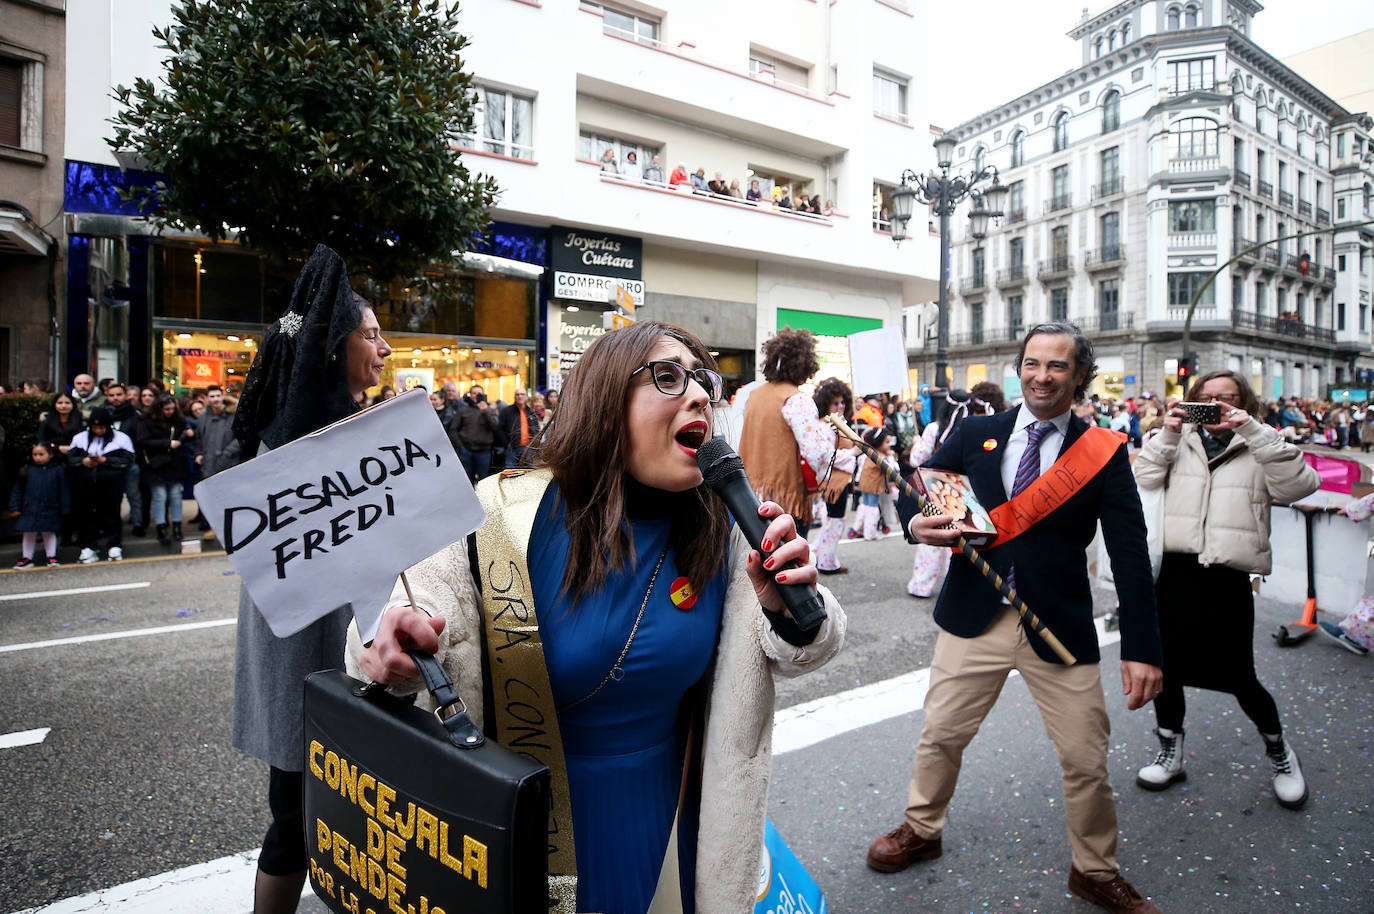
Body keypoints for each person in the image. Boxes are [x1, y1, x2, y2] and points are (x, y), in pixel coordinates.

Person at [350, 320, 846, 913]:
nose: (697, 395)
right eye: (667, 376)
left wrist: (788, 605)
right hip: (523, 822)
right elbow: (414, 607)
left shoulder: (729, 527)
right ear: (605, 401)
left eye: (704, 381)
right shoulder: (502, 514)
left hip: (672, 818)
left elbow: (814, 640)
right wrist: (398, 638)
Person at [868, 321, 1165, 914]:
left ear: (1080, 376)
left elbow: (1130, 551)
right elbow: (918, 489)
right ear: (1019, 368)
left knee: (1085, 758)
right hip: (974, 615)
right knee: (942, 736)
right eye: (1032, 363)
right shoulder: (976, 431)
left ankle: (1095, 869)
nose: (1041, 376)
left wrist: (1143, 645)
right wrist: (913, 522)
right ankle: (922, 830)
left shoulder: (1101, 453)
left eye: (1057, 366)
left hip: (1058, 624)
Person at [230, 244, 393, 914]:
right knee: (294, 816)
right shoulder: (294, 444)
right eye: (371, 334)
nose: (384, 348)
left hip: (363, 649)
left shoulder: (366, 429)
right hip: (306, 655)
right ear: (335, 345)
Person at [1131, 370, 1319, 809]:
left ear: (1244, 402)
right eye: (1206, 397)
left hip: (1227, 576)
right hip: (1172, 574)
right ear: (1192, 400)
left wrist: (1252, 428)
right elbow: (1143, 481)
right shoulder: (1177, 439)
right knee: (1166, 672)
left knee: (1240, 676)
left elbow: (1300, 486)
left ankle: (1279, 753)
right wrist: (1168, 434)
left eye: (1227, 398)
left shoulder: (1259, 443)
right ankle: (1171, 751)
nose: (1215, 405)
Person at [905, 387, 1000, 599]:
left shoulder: (934, 429)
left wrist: (917, 444)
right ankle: (955, 586)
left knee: (934, 536)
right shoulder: (979, 429)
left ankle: (921, 585)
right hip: (968, 492)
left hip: (936, 488)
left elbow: (916, 460)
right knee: (960, 537)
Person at [738, 327, 835, 532]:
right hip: (784, 501)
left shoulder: (753, 395)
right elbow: (816, 453)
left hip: (749, 493)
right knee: (790, 560)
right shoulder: (797, 400)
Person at [67, 407, 136, 563]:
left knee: (112, 513)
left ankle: (114, 545)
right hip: (86, 482)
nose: (98, 431)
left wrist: (106, 461)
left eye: (102, 427)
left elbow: (128, 460)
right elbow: (71, 459)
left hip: (111, 482)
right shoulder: (80, 439)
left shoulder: (121, 439)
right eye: (95, 427)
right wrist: (83, 461)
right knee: (87, 515)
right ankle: (88, 547)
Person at [811, 378, 857, 575]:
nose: (840, 406)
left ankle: (824, 558)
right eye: (835, 402)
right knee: (835, 520)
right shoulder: (825, 426)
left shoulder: (838, 423)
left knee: (834, 520)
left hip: (840, 480)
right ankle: (826, 562)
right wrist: (853, 454)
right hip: (833, 482)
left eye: (843, 402)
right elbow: (827, 456)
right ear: (826, 403)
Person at [138, 394, 191, 545]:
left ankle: (176, 527)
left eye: (172, 409)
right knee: (160, 496)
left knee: (175, 495)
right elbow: (142, 441)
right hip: (157, 463)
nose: (170, 412)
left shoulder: (178, 420)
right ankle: (161, 527)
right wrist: (167, 443)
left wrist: (187, 435)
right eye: (167, 409)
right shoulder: (146, 421)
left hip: (174, 462)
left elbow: (184, 432)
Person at [9, 442, 69, 568]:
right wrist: (14, 506)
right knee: (28, 532)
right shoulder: (27, 470)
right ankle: (26, 557)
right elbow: (18, 489)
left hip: (50, 506)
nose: (37, 457)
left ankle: (51, 556)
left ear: (50, 455)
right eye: (35, 455)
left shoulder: (57, 470)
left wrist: (65, 508)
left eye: (41, 454)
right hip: (29, 507)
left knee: (49, 531)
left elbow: (64, 490)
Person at [849, 427, 896, 540]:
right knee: (872, 507)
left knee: (864, 505)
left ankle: (858, 528)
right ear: (879, 443)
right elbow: (891, 469)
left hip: (864, 484)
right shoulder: (880, 457)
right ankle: (870, 532)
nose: (889, 445)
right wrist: (891, 457)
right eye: (886, 442)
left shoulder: (868, 454)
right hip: (874, 485)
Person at [450, 383, 501, 483]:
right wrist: (460, 446)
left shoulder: (490, 410)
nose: (476, 395)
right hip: (466, 451)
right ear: (470, 394)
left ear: (483, 395)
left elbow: (495, 427)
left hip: (484, 452)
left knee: (483, 481)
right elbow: (453, 429)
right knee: (466, 480)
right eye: (474, 393)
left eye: (479, 393)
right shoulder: (463, 410)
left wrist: (485, 412)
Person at [499, 388, 540, 468]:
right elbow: (499, 429)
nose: (520, 396)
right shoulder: (506, 411)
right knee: (510, 472)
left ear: (526, 397)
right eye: (517, 394)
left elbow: (536, 429)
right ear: (514, 397)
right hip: (512, 448)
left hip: (528, 448)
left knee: (528, 472)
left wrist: (534, 443)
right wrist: (506, 442)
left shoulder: (531, 412)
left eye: (522, 394)